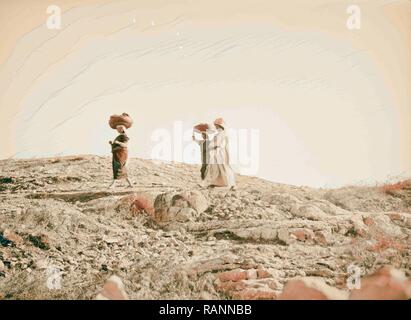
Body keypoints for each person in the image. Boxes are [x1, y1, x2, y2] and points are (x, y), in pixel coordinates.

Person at [208, 118, 236, 189]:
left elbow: (221, 144)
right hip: (216, 154)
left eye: (216, 125)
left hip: (221, 153)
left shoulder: (224, 134)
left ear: (220, 125)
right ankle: (216, 183)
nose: (215, 127)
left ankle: (231, 183)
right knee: (215, 168)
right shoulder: (218, 134)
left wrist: (214, 146)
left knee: (224, 167)